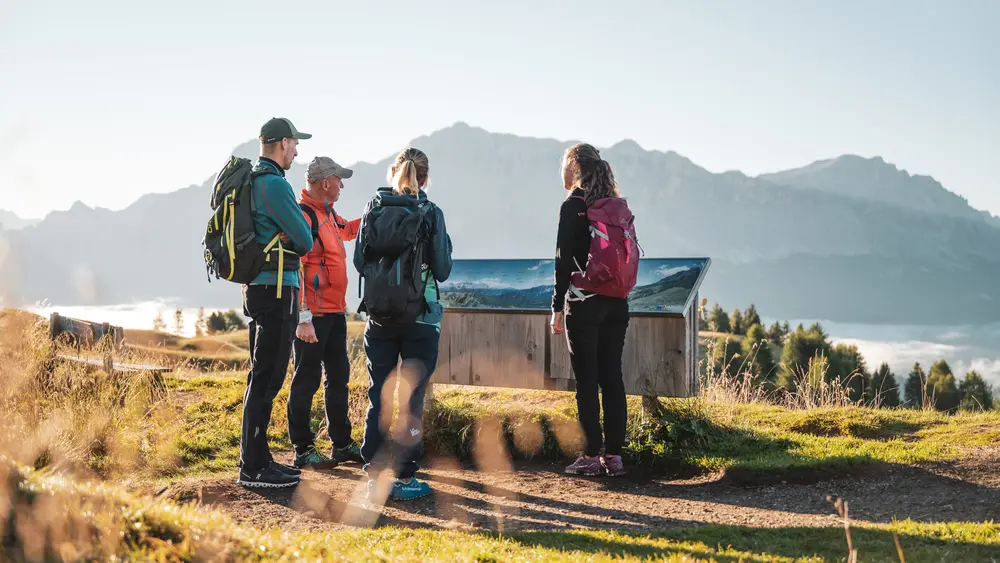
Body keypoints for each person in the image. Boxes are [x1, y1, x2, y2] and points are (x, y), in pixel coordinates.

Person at [353, 147, 452, 502]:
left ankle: (374, 476)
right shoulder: (431, 212)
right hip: (421, 318)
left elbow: (359, 262)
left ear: (392, 172)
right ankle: (406, 477)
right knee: (411, 399)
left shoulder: (373, 208)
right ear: (425, 177)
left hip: (379, 317)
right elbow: (442, 269)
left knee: (378, 394)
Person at [237, 117, 314, 489]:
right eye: (295, 144)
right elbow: (305, 240)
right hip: (277, 290)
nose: (297, 151)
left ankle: (258, 457)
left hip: (257, 288)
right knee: (267, 378)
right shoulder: (275, 185)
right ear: (283, 142)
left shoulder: (252, 181)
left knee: (260, 374)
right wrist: (292, 232)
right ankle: (253, 467)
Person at [550, 142, 632, 477]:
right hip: (617, 303)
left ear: (573, 165)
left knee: (586, 381)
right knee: (612, 377)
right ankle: (614, 457)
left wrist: (557, 306)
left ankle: (589, 456)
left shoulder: (574, 205)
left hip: (584, 303)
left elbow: (562, 260)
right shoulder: (614, 206)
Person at [287, 156, 364, 470]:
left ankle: (341, 445)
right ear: (324, 182)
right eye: (338, 179)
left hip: (334, 313)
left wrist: (376, 212)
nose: (342, 185)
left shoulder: (329, 214)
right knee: (306, 381)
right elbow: (297, 267)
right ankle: (303, 450)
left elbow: (349, 231)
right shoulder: (304, 216)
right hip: (313, 317)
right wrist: (303, 318)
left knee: (338, 378)